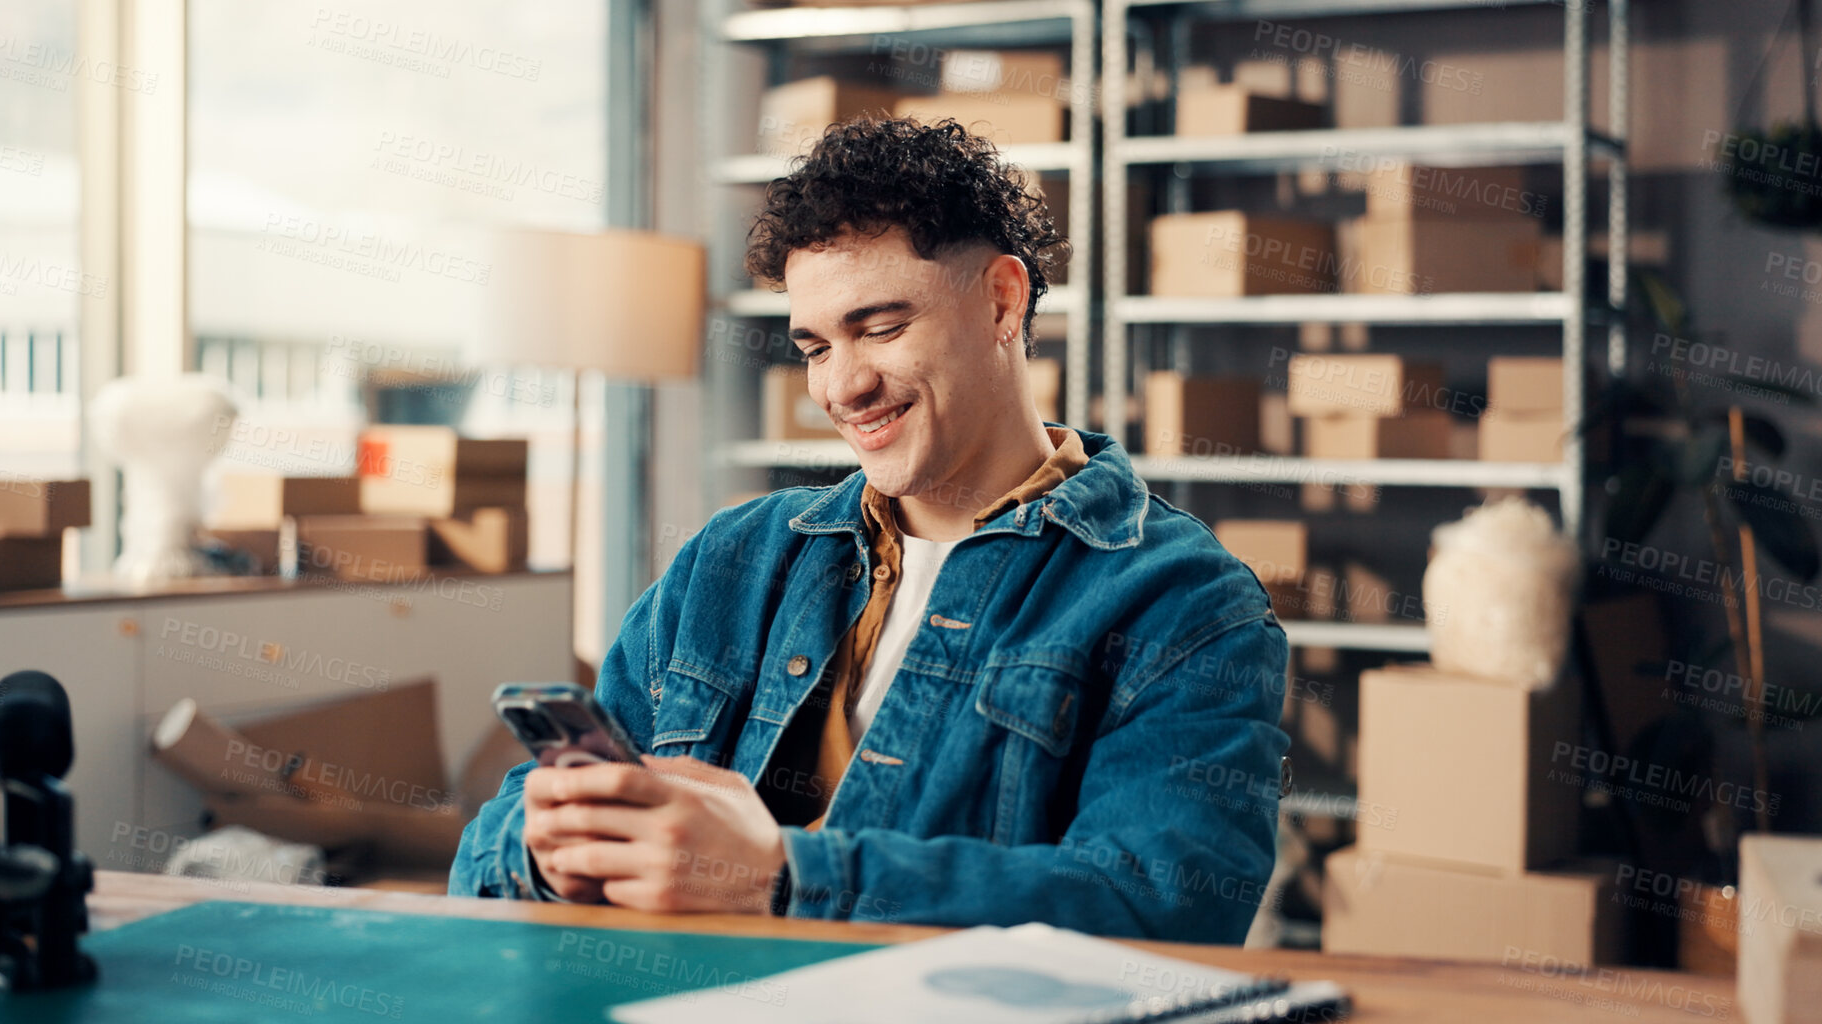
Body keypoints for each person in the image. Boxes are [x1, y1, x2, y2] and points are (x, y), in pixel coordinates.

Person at [450, 117, 1289, 944]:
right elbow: (482, 858)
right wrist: (554, 850)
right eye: (813, 346)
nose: (841, 386)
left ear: (1002, 300)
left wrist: (779, 878)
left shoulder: (1183, 599)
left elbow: (1166, 910)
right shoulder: (729, 558)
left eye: (880, 329)